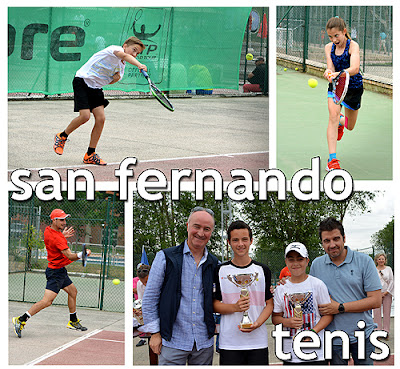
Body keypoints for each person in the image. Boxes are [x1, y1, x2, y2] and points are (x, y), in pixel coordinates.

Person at [139, 207, 219, 365]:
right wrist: (155, 333)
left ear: (211, 232)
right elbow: (150, 297)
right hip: (172, 341)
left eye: (207, 229)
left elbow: (224, 295)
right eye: (197, 226)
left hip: (204, 342)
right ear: (188, 226)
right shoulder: (165, 257)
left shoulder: (215, 263)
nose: (201, 233)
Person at [53, 37, 147, 165]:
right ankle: (62, 136)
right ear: (125, 45)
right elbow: (124, 56)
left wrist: (114, 78)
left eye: (138, 54)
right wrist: (139, 65)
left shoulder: (121, 67)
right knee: (85, 116)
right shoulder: (115, 49)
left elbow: (111, 80)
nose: (135, 54)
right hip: (82, 81)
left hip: (96, 88)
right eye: (134, 50)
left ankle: (90, 154)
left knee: (101, 119)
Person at [310, 217, 382, 365]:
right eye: (327, 241)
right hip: (334, 338)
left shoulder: (364, 261)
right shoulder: (317, 264)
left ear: (344, 238)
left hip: (363, 336)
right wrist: (286, 283)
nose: (332, 244)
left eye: (336, 239)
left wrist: (340, 307)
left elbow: (376, 300)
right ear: (322, 243)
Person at [12, 209, 92, 338]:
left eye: (65, 219)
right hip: (55, 273)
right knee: (47, 301)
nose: (64, 222)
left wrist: (62, 235)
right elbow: (70, 256)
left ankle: (73, 320)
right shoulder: (57, 238)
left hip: (60, 270)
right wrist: (82, 254)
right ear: (54, 220)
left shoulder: (48, 230)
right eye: (61, 220)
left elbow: (54, 239)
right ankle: (21, 319)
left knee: (73, 292)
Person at [213, 220, 273, 365]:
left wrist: (257, 323)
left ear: (251, 241)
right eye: (235, 240)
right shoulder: (220, 270)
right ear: (229, 242)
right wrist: (235, 307)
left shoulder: (263, 270)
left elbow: (269, 304)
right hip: (229, 342)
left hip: (257, 341)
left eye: (244, 239)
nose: (240, 244)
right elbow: (214, 305)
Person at [272, 242, 333, 365]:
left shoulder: (317, 284)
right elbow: (275, 318)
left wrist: (313, 332)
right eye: (291, 259)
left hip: (317, 351)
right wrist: (287, 322)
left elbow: (328, 315)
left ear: (307, 261)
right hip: (290, 352)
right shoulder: (281, 288)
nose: (295, 263)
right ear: (286, 262)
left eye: (300, 259)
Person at [323, 17, 363, 171]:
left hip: (353, 88)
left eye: (336, 36)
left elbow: (354, 69)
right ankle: (332, 160)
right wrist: (329, 72)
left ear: (344, 32)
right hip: (335, 86)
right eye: (330, 37)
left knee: (350, 126)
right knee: (332, 116)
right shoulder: (328, 47)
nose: (334, 40)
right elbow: (330, 67)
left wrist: (338, 73)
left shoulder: (353, 46)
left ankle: (342, 122)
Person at [372, 252, 393, 339]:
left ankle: (386, 331)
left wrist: (386, 292)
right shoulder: (373, 269)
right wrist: (378, 293)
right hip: (377, 294)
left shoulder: (388, 269)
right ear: (376, 260)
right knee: (376, 313)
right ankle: (378, 330)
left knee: (387, 312)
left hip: (387, 293)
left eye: (382, 259)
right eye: (379, 259)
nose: (381, 260)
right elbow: (372, 281)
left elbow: (392, 281)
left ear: (385, 260)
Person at [136, 264, 151, 347]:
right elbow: (141, 300)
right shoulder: (139, 284)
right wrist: (140, 310)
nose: (144, 284)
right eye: (142, 282)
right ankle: (143, 339)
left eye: (146, 281)